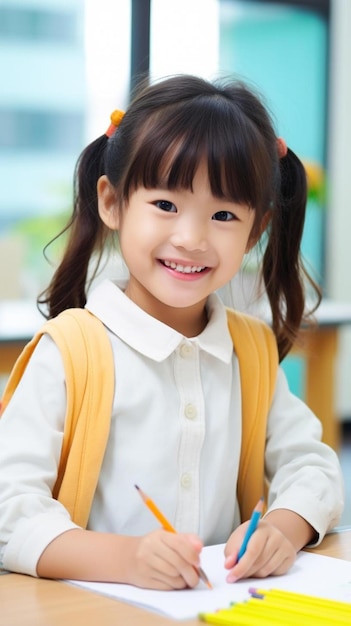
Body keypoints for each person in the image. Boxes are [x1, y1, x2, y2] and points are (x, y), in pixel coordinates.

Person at [0, 74, 344, 590]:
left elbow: (312, 465)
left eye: (224, 214)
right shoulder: (70, 353)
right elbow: (8, 509)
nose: (191, 238)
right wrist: (126, 561)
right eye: (165, 205)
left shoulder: (249, 352)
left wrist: (283, 527)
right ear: (113, 203)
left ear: (257, 229)